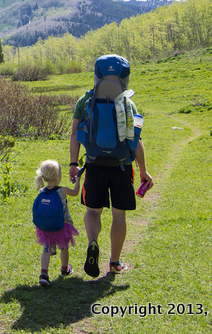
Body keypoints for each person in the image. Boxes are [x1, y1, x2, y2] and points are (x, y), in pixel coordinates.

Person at [69, 57, 153, 277]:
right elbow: (137, 140)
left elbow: (75, 135)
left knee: (93, 211)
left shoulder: (84, 101)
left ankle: (93, 243)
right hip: (122, 166)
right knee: (119, 215)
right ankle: (115, 261)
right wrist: (143, 171)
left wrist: (73, 164)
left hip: (94, 164)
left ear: (97, 76)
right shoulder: (128, 103)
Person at [34, 160, 80, 286]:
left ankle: (44, 273)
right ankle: (64, 269)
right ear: (58, 175)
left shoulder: (42, 191)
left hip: (46, 227)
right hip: (62, 225)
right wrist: (79, 179)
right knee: (64, 247)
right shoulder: (62, 191)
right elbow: (76, 192)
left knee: (46, 249)